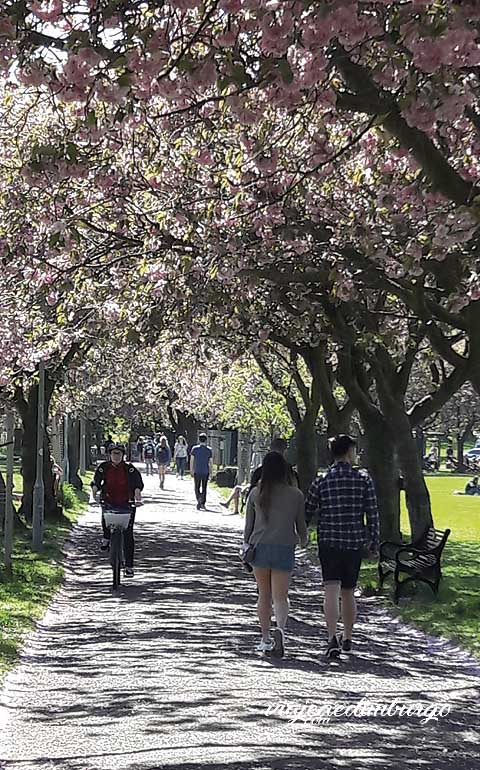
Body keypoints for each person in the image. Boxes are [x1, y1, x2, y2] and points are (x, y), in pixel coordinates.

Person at [305, 434, 380, 658]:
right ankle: (348, 635)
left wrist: (300, 532)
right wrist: (374, 541)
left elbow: (308, 509)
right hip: (354, 541)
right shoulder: (363, 479)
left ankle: (331, 637)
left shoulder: (322, 479)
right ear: (349, 452)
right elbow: (372, 513)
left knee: (330, 590)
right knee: (349, 592)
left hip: (329, 541)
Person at [244, 452, 308, 657]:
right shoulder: (295, 495)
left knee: (263, 594)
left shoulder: (256, 493)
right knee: (281, 596)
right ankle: (280, 629)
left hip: (260, 546)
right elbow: (301, 527)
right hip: (284, 547)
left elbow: (248, 526)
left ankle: (265, 638)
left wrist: (246, 545)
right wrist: (303, 541)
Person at [91, 443, 144, 577]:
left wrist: (137, 496)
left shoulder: (129, 469)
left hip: (126, 502)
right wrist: (94, 493)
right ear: (109, 455)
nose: (116, 456)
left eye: (119, 454)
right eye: (114, 454)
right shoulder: (104, 467)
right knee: (104, 514)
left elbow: (138, 484)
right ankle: (106, 537)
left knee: (128, 534)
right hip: (109, 500)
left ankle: (129, 566)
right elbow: (96, 481)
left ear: (123, 455)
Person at [190, 432, 213, 510]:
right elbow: (210, 462)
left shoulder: (194, 449)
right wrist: (211, 471)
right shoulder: (209, 450)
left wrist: (191, 469)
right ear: (206, 440)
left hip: (197, 470)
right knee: (204, 487)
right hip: (205, 471)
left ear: (199, 440)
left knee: (196, 487)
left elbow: (192, 460)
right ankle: (203, 502)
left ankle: (198, 498)